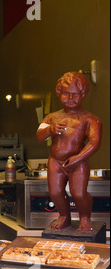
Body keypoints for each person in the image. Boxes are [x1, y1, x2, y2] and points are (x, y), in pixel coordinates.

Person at [36, 71, 102, 232]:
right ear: (59, 93)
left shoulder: (90, 119)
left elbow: (95, 142)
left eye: (75, 95)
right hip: (55, 161)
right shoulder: (51, 117)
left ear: (83, 95)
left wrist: (78, 158)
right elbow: (39, 136)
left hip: (78, 161)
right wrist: (50, 130)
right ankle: (64, 216)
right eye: (66, 94)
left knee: (78, 193)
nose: (70, 98)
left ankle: (85, 217)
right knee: (55, 192)